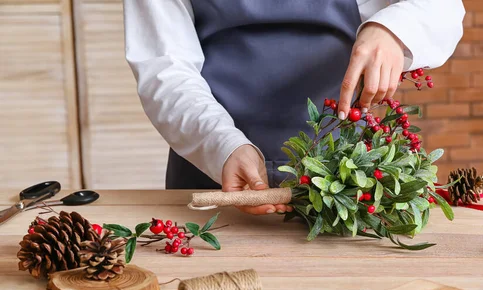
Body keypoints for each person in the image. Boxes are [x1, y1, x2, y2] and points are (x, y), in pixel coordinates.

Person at [124, 0, 465, 215]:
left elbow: (443, 6)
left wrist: (392, 28)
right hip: (214, 172)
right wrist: (223, 146)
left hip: (350, 177)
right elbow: (165, 66)